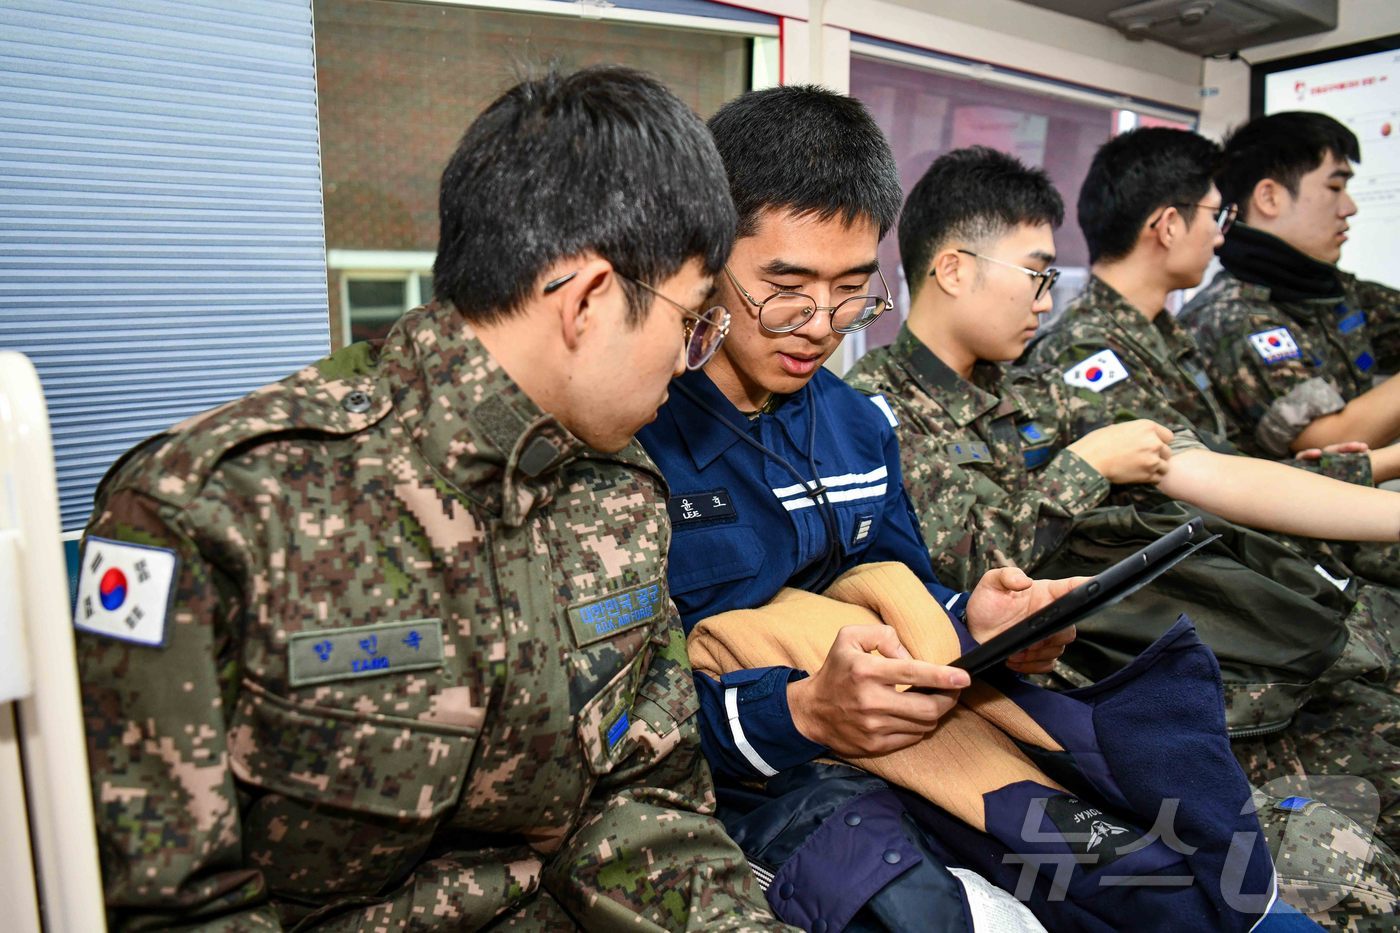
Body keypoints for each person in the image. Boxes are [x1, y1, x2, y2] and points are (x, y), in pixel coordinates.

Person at [72, 66, 792, 930]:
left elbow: (644, 804)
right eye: (690, 321)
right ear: (592, 300)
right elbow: (173, 907)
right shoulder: (211, 510)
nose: (689, 359)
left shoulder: (620, 493)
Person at [844, 146, 1400, 924]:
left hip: (1189, 671)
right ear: (954, 269)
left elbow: (1213, 472)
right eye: (1035, 272)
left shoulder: (1044, 389)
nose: (1046, 299)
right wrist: (1082, 466)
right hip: (1066, 723)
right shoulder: (868, 410)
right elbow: (963, 570)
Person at [1027, 126, 1400, 587]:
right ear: (1167, 227)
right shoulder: (1086, 352)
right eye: (1214, 215)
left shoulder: (1164, 338)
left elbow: (1228, 464)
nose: (1221, 236)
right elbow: (1207, 483)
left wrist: (1349, 464)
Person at [1178, 111, 1400, 460]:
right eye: (1334, 187)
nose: (1350, 207)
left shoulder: (1329, 289)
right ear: (1269, 198)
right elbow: (1332, 441)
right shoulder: (1230, 315)